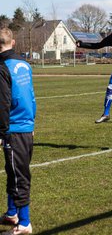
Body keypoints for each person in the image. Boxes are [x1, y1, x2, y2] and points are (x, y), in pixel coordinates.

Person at [0, 28, 36, 235]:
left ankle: (24, 223)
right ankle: (12, 213)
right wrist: (33, 123)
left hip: (14, 129)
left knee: (18, 176)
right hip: (26, 127)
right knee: (13, 172)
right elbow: (31, 96)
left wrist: (2, 133)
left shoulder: (2, 67)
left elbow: (3, 103)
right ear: (13, 43)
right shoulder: (25, 64)